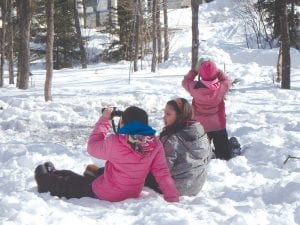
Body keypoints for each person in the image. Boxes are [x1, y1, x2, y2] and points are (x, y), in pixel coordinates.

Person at [34, 106, 179, 203]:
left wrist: (105, 120)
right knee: (79, 179)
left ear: (124, 124)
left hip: (107, 192)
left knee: (71, 185)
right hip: (131, 192)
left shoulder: (116, 141)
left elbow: (92, 147)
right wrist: (172, 197)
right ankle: (56, 172)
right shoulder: (155, 144)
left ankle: (45, 180)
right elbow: (162, 173)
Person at [145, 98, 212, 196]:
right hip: (196, 184)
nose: (164, 118)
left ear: (180, 116)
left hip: (176, 188)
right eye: (164, 113)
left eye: (168, 114)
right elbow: (208, 156)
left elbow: (163, 168)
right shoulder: (199, 131)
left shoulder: (172, 137)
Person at [182, 59, 232, 160]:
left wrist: (195, 71)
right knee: (224, 154)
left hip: (201, 126)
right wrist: (216, 71)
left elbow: (185, 82)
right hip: (218, 125)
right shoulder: (221, 88)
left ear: (201, 74)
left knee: (201, 154)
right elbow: (227, 81)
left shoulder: (194, 88)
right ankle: (223, 159)